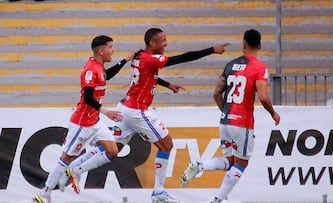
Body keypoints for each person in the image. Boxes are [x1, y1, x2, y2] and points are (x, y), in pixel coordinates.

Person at [64, 27, 229, 203]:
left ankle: (75, 169)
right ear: (152, 43)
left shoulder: (140, 55)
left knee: (113, 149)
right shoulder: (151, 58)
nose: (166, 43)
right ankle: (158, 192)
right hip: (137, 111)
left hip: (125, 107)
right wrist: (212, 50)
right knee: (166, 144)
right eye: (163, 40)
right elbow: (181, 58)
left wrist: (167, 84)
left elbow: (148, 75)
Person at [180, 29, 281, 203]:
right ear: (260, 45)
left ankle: (199, 166)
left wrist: (226, 112)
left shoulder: (230, 65)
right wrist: (273, 113)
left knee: (230, 161)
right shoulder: (259, 68)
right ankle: (218, 200)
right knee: (241, 164)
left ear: (243, 45)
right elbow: (263, 96)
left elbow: (217, 93)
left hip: (225, 121)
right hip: (242, 124)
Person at [32, 35, 133, 203]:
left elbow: (106, 76)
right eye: (110, 47)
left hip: (95, 122)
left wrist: (124, 61)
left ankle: (76, 171)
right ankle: (43, 194)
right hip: (82, 123)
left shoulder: (99, 67)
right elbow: (87, 97)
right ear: (101, 51)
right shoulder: (90, 70)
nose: (112, 50)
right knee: (65, 158)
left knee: (113, 151)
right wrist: (105, 111)